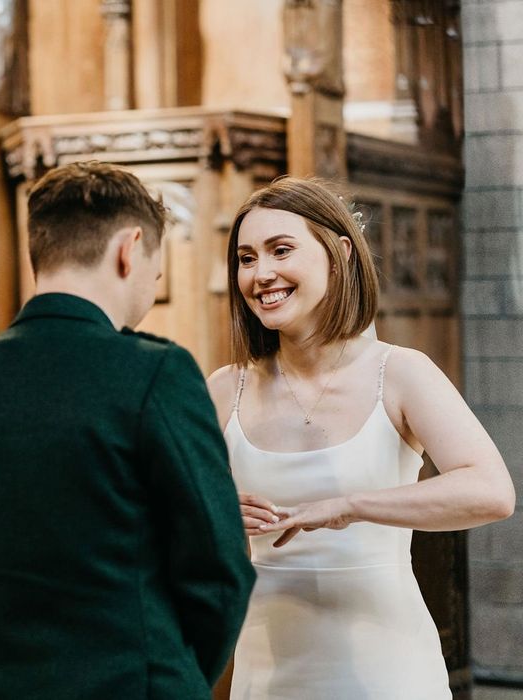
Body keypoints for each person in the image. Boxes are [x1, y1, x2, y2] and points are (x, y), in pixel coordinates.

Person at [0, 161, 255, 699]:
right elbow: (219, 569)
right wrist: (166, 675)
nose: (152, 287)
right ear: (130, 249)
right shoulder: (155, 373)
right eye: (156, 273)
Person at [207, 177, 515, 699]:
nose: (261, 274)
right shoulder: (223, 388)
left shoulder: (398, 373)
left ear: (339, 253)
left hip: (387, 666)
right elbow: (167, 516)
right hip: (268, 667)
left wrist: (350, 505)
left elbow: (491, 491)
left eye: (281, 250)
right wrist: (212, 515)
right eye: (245, 257)